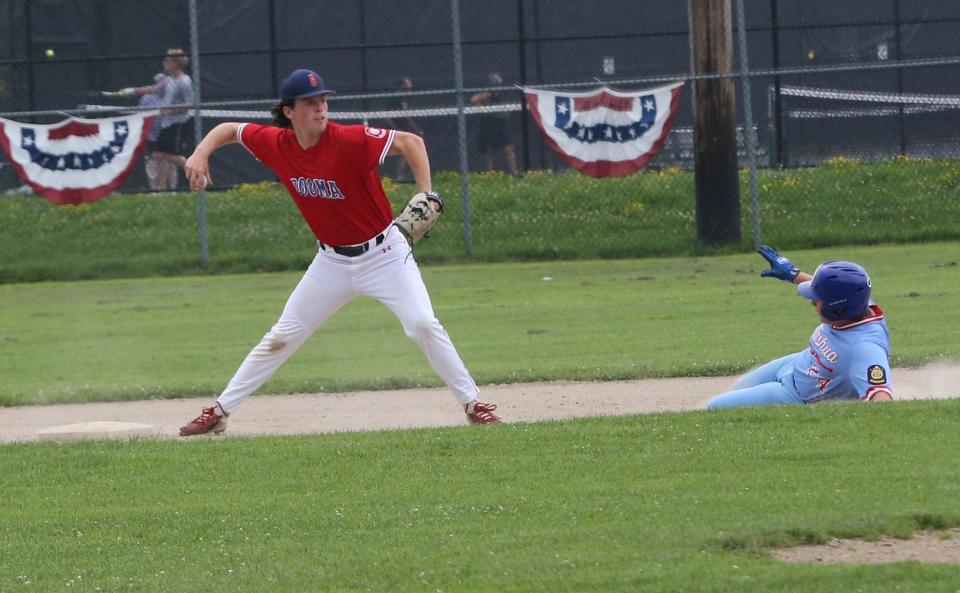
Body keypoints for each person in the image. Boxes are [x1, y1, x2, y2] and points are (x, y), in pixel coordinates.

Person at [177, 68, 502, 436]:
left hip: (385, 255)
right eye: (310, 103)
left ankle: (473, 405)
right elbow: (229, 130)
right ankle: (220, 411)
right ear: (289, 111)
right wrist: (201, 152)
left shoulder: (350, 139)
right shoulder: (276, 143)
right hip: (330, 262)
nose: (320, 109)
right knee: (282, 336)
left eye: (323, 101)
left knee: (423, 324)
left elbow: (412, 142)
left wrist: (425, 194)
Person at [706, 245, 894, 409]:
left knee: (714, 408)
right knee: (739, 386)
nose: (812, 301)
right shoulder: (858, 302)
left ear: (837, 308)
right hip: (794, 363)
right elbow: (832, 289)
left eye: (817, 298)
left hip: (794, 395)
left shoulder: (864, 349)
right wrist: (793, 274)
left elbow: (881, 397)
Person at [119, 48, 195, 189]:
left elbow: (190, 103)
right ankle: (162, 190)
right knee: (159, 155)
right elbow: (153, 89)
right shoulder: (169, 80)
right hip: (167, 125)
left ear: (176, 63)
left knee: (169, 156)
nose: (164, 62)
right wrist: (132, 90)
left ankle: (197, 172)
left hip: (179, 123)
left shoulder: (184, 81)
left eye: (168, 60)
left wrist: (172, 110)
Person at [469, 72, 518, 176]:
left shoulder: (503, 91)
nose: (498, 82)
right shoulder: (489, 93)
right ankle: (490, 174)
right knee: (488, 151)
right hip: (489, 124)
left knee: (509, 149)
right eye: (496, 81)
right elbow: (474, 100)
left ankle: (514, 172)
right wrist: (484, 109)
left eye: (499, 80)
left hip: (500, 124)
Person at [382, 76, 425, 183]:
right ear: (403, 85)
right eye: (407, 83)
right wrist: (395, 129)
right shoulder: (396, 97)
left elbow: (407, 118)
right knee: (385, 151)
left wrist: (415, 130)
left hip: (403, 130)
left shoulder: (406, 98)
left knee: (408, 151)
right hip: (392, 131)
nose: (410, 84)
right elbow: (387, 116)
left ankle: (402, 175)